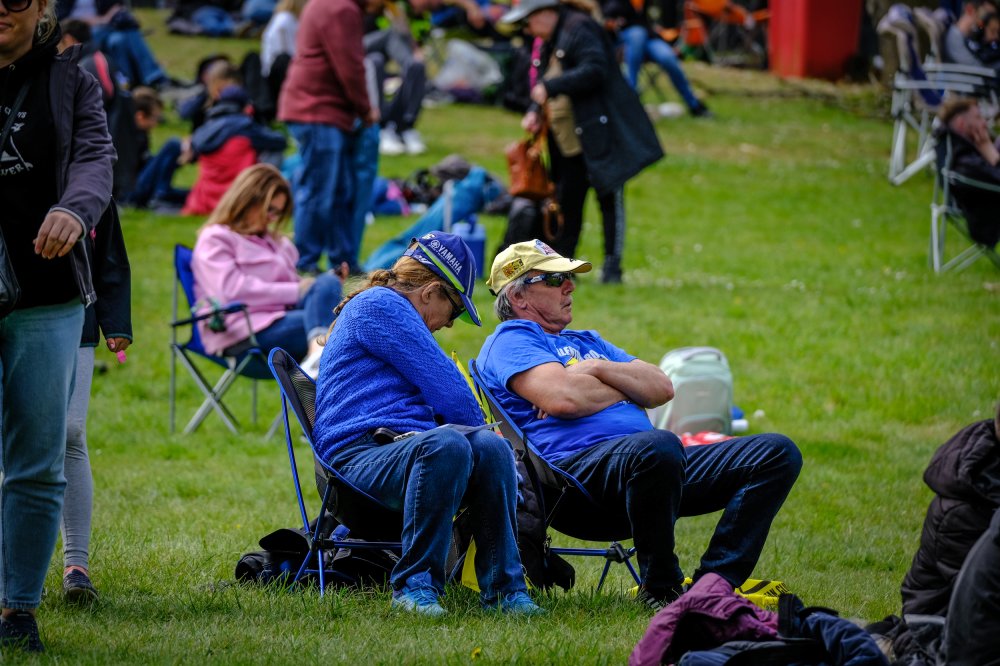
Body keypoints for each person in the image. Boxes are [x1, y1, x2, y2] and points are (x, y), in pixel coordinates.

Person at [476, 240, 802, 610]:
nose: (570, 286)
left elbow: (662, 387)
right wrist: (625, 387)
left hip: (656, 467)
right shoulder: (511, 341)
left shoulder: (588, 342)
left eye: (568, 277)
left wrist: (595, 368)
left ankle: (713, 584)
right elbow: (565, 399)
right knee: (658, 446)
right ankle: (661, 588)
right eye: (554, 279)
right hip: (580, 481)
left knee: (777, 453)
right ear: (518, 296)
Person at [311, 231, 543, 617]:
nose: (449, 325)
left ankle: (507, 592)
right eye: (454, 310)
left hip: (399, 451)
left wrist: (492, 449)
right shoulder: (382, 305)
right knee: (449, 444)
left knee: (489, 447)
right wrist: (486, 445)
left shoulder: (386, 307)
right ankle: (414, 588)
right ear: (430, 292)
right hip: (355, 462)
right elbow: (451, 394)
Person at [0, 0, 116, 652]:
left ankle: (16, 609)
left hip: (47, 298)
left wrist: (75, 209)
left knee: (39, 465)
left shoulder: (70, 80)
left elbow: (97, 160)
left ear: (42, 5)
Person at [500, 0, 664, 284]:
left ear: (546, 13)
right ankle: (563, 266)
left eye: (529, 21)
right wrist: (535, 110)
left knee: (609, 197)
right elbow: (545, 78)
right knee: (568, 199)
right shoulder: (554, 36)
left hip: (598, 131)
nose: (527, 29)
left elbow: (595, 69)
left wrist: (551, 87)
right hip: (568, 137)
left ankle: (612, 269)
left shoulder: (580, 28)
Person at [191, 164, 345, 369]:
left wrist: (311, 286)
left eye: (278, 213)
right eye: (269, 210)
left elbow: (292, 286)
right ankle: (319, 357)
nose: (272, 219)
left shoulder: (275, 242)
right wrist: (296, 291)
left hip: (283, 317)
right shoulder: (216, 238)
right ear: (247, 200)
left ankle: (317, 355)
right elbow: (232, 291)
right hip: (244, 330)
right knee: (341, 328)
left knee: (328, 282)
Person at [62, 201, 132, 605]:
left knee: (71, 432)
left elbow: (109, 252)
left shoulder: (91, 178)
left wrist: (115, 320)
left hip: (78, 317)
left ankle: (77, 566)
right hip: (12, 311)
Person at [278, 0, 381, 274]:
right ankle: (306, 261)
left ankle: (342, 261)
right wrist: (365, 108)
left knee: (338, 190)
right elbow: (349, 65)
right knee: (319, 190)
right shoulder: (341, 8)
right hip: (316, 110)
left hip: (319, 111)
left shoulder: (327, 4)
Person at [182, 85, 287, 216]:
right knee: (275, 153)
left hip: (205, 197)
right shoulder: (244, 126)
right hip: (238, 193)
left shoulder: (205, 128)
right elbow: (279, 142)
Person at [599, 0, 711, 117]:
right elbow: (605, 17)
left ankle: (694, 104)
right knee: (637, 34)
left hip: (649, 38)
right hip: (623, 40)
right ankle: (630, 98)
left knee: (667, 57)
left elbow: (656, 22)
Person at [936, 97, 1000, 249]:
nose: (984, 123)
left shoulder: (954, 151)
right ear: (961, 123)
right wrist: (990, 152)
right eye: (978, 117)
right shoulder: (965, 163)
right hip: (987, 218)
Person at [943, 0, 999, 68]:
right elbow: (977, 66)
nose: (987, 20)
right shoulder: (955, 37)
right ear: (970, 10)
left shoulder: (968, 36)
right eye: (986, 14)